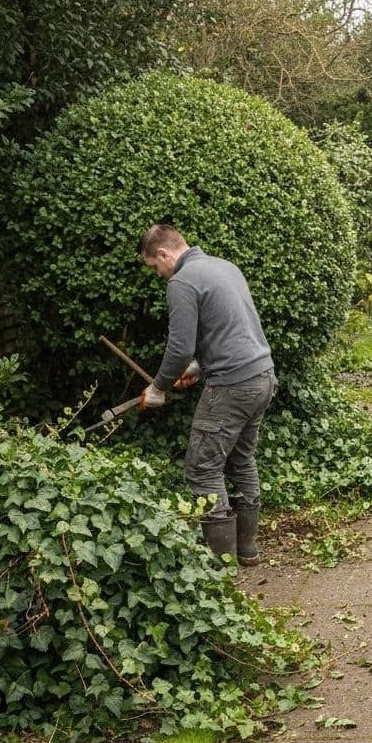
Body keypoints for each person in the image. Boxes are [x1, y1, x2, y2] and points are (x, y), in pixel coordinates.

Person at [138, 224, 276, 564]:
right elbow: (235, 329)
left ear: (164, 254)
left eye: (155, 267)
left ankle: (220, 568)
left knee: (201, 469)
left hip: (232, 385)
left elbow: (180, 346)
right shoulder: (224, 267)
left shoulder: (182, 281)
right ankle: (246, 550)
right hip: (263, 376)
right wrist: (198, 368)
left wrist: (157, 389)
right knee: (240, 460)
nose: (158, 275)